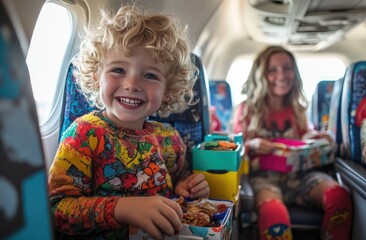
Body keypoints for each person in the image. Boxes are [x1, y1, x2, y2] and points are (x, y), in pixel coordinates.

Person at [48, 5, 210, 240]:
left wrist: (186, 185)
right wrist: (122, 209)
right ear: (96, 77)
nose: (132, 84)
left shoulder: (168, 137)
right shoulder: (84, 135)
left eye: (150, 75)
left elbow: (178, 177)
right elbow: (57, 211)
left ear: (168, 90)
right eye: (118, 70)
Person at [232, 46, 353, 240]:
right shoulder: (247, 110)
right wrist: (252, 144)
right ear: (262, 75)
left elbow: (304, 136)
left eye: (287, 68)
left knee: (339, 197)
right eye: (273, 70)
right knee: (274, 216)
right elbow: (234, 148)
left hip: (300, 175)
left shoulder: (298, 108)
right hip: (264, 179)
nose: (282, 75)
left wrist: (315, 138)